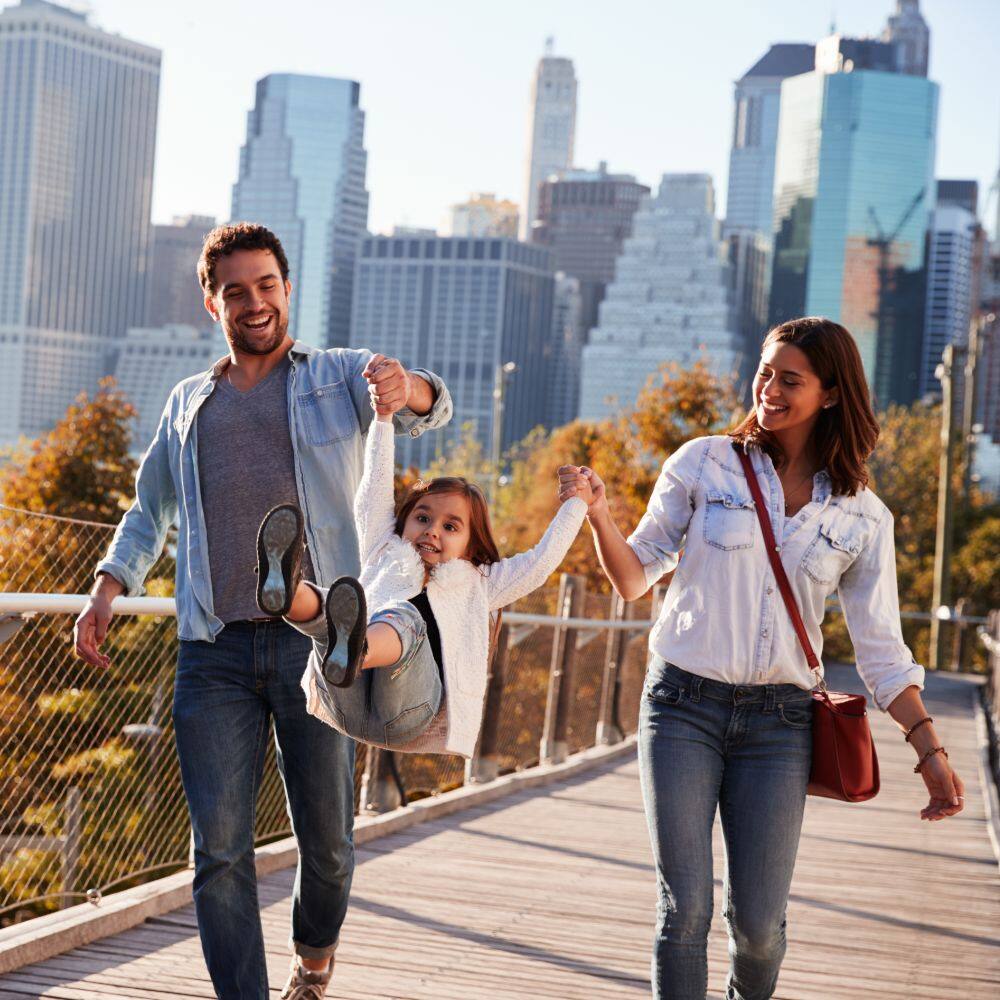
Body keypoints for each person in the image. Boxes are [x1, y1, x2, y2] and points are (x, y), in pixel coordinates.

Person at [72, 223, 452, 1000]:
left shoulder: (335, 377)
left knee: (329, 843)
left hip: (316, 644)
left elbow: (426, 408)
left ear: (287, 288)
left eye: (267, 285)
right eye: (236, 290)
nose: (255, 302)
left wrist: (404, 387)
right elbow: (150, 513)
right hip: (210, 649)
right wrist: (108, 586)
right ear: (211, 301)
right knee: (218, 849)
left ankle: (314, 961)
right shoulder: (188, 404)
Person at [560, 316, 965, 1000]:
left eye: (790, 379)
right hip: (681, 707)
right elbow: (634, 579)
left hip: (780, 726)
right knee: (682, 908)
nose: (768, 389)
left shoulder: (863, 517)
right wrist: (600, 514)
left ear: (832, 394)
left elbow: (881, 653)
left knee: (757, 926)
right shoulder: (704, 463)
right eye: (764, 373)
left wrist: (929, 751)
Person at [253, 385, 595, 756]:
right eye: (423, 517)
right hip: (341, 697)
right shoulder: (386, 549)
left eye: (450, 527)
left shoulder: (481, 584)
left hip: (407, 714)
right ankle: (286, 592)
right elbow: (374, 491)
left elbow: (540, 562)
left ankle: (356, 645)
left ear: (472, 546)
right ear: (406, 522)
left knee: (403, 618)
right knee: (328, 600)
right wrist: (382, 418)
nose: (432, 530)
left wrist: (577, 504)